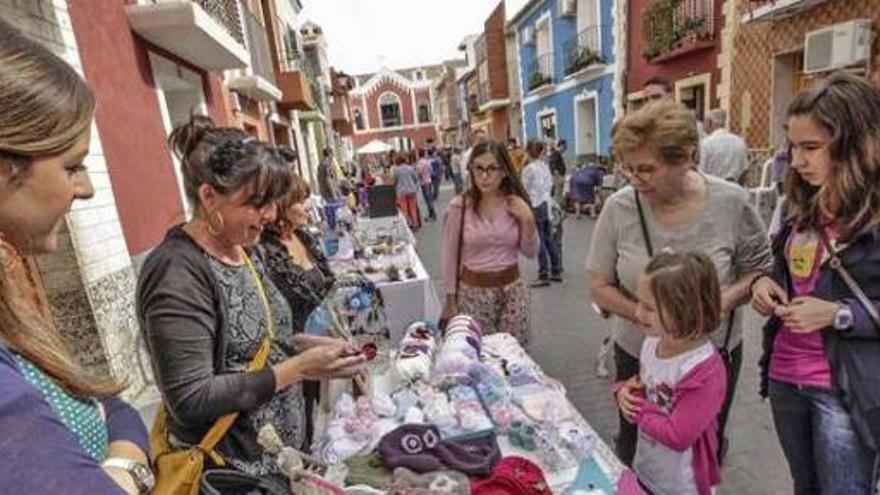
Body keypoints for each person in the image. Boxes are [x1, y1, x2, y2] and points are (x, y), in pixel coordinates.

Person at [137, 115, 366, 479]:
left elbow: (262, 344)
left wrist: (314, 348)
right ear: (209, 196)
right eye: (257, 202)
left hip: (273, 464)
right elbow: (191, 399)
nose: (270, 215)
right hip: (228, 473)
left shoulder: (244, 248)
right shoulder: (177, 273)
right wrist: (300, 368)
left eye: (273, 201)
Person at [0, 21, 150, 494]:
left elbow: (116, 410)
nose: (84, 188)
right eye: (72, 166)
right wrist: (127, 471)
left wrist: (123, 467)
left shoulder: (15, 295)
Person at [586, 100, 771, 466]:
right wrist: (644, 314)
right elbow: (598, 283)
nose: (634, 180)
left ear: (685, 158)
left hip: (710, 357)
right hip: (638, 352)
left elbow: (759, 269)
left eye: (646, 169)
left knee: (701, 451)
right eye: (628, 169)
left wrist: (719, 304)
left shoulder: (731, 202)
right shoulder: (620, 208)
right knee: (636, 444)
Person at [750, 73, 880, 494]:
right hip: (786, 377)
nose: (798, 161)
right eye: (793, 147)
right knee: (803, 487)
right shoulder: (796, 207)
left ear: (854, 145)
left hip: (844, 389)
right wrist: (765, 285)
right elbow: (781, 266)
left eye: (811, 148)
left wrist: (839, 314)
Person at [616, 251, 727, 495]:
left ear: (685, 310)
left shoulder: (704, 370)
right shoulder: (651, 343)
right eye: (638, 302)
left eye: (649, 308)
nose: (637, 313)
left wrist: (638, 409)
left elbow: (678, 435)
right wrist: (624, 392)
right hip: (648, 470)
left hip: (682, 485)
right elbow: (644, 385)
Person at [259, 173, 335, 447]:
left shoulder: (305, 237)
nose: (306, 207)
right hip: (290, 354)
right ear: (280, 206)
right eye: (299, 201)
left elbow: (327, 285)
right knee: (299, 424)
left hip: (323, 342)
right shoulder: (265, 252)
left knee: (323, 413)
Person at [441, 140, 537, 348]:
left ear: (504, 171)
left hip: (513, 293)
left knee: (514, 359)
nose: (484, 176)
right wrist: (450, 301)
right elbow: (450, 257)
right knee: (480, 359)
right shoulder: (460, 206)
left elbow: (531, 252)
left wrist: (528, 220)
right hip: (473, 295)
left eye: (492, 168)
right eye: (478, 168)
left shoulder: (515, 204)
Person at [521, 140, 561, 286]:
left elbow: (524, 188)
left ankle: (543, 272)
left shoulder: (528, 169)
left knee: (539, 240)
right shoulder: (544, 166)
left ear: (528, 152)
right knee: (548, 237)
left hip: (535, 203)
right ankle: (556, 270)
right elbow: (551, 184)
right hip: (546, 202)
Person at [700, 109, 749, 183]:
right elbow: (745, 170)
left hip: (713, 189)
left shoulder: (705, 144)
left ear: (710, 122)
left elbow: (701, 172)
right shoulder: (739, 141)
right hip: (735, 188)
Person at [392, 154, 422, 230]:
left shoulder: (396, 170)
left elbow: (394, 180)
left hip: (402, 191)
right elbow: (415, 178)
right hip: (412, 190)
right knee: (413, 208)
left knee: (404, 209)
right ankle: (415, 224)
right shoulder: (410, 168)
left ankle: (408, 224)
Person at [415, 150, 436, 221]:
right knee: (429, 198)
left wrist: (420, 178)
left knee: (427, 199)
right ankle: (432, 213)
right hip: (429, 181)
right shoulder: (427, 162)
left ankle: (432, 213)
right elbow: (431, 171)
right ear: (424, 154)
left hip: (424, 182)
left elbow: (419, 173)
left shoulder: (419, 163)